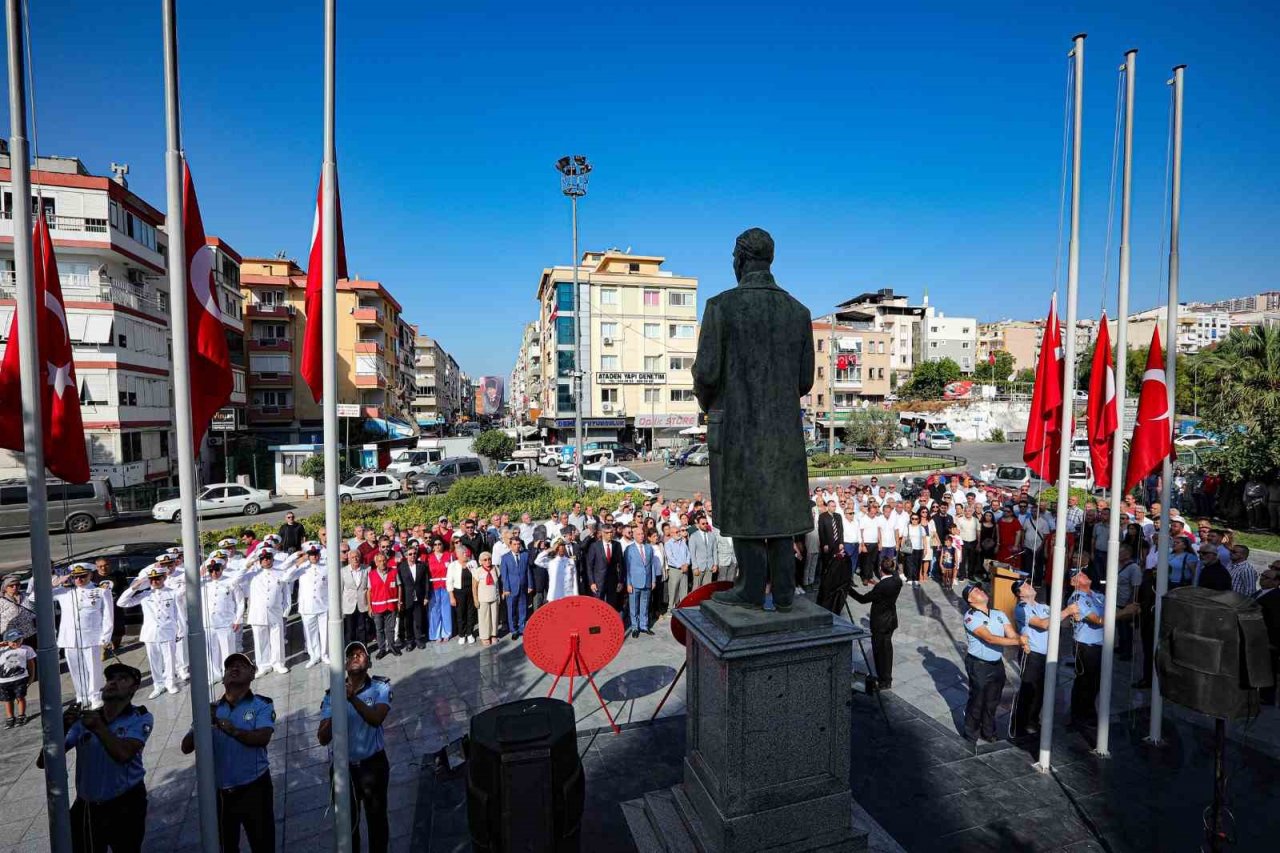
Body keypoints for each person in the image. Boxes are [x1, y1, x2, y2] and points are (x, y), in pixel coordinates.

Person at [694, 228, 815, 612]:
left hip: (737, 426)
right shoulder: (798, 312)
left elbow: (706, 373)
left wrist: (710, 403)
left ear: (741, 259)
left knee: (743, 502)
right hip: (783, 429)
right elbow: (805, 380)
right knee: (780, 505)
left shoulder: (720, 307)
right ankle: (784, 589)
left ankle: (749, 587)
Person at [44, 662, 151, 853]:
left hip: (125, 804)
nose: (113, 683)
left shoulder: (140, 717)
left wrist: (99, 728)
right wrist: (62, 727)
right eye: (110, 679)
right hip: (87, 807)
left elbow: (123, 754)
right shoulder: (83, 721)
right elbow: (44, 761)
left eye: (122, 679)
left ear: (134, 688)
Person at [184, 653, 276, 853]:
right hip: (222, 793)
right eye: (230, 667)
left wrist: (233, 731)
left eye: (241, 665)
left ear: (252, 674)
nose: (234, 668)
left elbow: (262, 738)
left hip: (254, 788)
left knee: (262, 843)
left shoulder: (261, 704)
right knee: (225, 846)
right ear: (223, 679)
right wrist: (201, 724)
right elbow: (186, 747)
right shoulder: (210, 709)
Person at [318, 642, 392, 853]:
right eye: (351, 655)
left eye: (361, 654)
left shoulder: (380, 687)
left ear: (369, 663)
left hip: (372, 765)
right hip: (344, 770)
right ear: (345, 665)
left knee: (377, 820)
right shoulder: (332, 694)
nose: (355, 657)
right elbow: (322, 737)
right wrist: (338, 704)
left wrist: (352, 699)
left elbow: (376, 718)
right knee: (347, 825)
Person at [961, 583, 1027, 742]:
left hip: (996, 663)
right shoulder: (970, 617)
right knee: (977, 700)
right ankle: (971, 734)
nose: (981, 591)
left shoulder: (999, 613)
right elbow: (989, 638)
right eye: (975, 591)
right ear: (970, 600)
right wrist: (1018, 642)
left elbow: (1011, 634)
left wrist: (1021, 640)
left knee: (992, 701)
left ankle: (988, 732)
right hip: (979, 665)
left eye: (980, 589)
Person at [42, 563, 114, 709]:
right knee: (75, 670)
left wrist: (105, 637)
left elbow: (108, 616)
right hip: (69, 638)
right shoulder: (64, 592)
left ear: (91, 574)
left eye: (83, 576)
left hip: (92, 637)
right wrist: (55, 583)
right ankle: (82, 696)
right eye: (75, 577)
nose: (79, 580)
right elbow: (35, 597)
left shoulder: (101, 592)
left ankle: (95, 696)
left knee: (94, 669)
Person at [117, 567, 184, 699]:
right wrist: (134, 588)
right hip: (150, 633)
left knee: (170, 660)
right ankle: (158, 685)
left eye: (158, 578)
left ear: (164, 578)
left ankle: (170, 683)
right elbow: (121, 603)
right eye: (152, 579)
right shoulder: (145, 595)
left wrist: (180, 630)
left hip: (167, 631)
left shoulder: (173, 593)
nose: (155, 581)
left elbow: (179, 614)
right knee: (154, 661)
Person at [848, 557, 903, 689]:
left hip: (880, 623)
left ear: (880, 569)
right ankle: (887, 678)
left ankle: (883, 681)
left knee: (879, 652)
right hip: (890, 620)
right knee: (887, 650)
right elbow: (894, 572)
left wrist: (848, 589)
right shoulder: (897, 581)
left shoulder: (881, 587)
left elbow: (862, 599)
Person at [1062, 569, 1105, 729]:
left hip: (1098, 644)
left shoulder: (1097, 595)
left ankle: (1087, 712)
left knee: (1094, 683)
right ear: (1073, 582)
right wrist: (1124, 613)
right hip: (1086, 646)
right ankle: (1079, 717)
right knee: (1085, 683)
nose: (1084, 574)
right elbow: (1097, 620)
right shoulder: (1077, 598)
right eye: (1078, 574)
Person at [1010, 579, 1049, 737]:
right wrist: (1066, 611)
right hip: (1032, 654)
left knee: (1039, 691)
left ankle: (1032, 722)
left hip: (1045, 655)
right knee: (1028, 690)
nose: (1029, 585)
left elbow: (1057, 621)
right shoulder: (1021, 608)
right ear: (1020, 594)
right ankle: (1019, 727)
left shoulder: (1043, 607)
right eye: (1024, 586)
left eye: (1028, 583)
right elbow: (1043, 624)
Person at [243, 549, 290, 676]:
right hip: (258, 614)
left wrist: (285, 612)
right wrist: (248, 564)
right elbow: (237, 579)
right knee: (260, 641)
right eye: (263, 558)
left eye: (268, 558)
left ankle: (278, 663)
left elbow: (286, 594)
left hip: (275, 612)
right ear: (259, 561)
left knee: (277, 639)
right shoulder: (252, 574)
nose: (266, 560)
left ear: (273, 559)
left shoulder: (281, 573)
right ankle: (263, 665)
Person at [284, 545, 330, 668]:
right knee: (310, 633)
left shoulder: (326, 567)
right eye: (311, 554)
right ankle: (314, 656)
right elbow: (286, 578)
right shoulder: (302, 568)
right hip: (307, 606)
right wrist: (298, 564)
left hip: (323, 605)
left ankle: (324, 654)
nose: (314, 557)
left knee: (325, 632)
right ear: (307, 556)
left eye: (316, 554)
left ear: (319, 555)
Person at [201, 556, 245, 683]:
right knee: (212, 652)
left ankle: (230, 674)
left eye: (217, 569)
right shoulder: (203, 584)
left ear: (222, 568)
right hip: (209, 623)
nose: (214, 573)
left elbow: (240, 602)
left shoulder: (231, 582)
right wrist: (201, 572)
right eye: (211, 570)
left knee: (228, 651)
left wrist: (238, 620)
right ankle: (215, 674)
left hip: (226, 622)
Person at [625, 523, 663, 638]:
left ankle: (644, 626)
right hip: (634, 582)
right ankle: (635, 627)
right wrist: (628, 583)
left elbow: (651, 565)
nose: (641, 536)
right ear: (634, 536)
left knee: (645, 605)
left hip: (647, 581)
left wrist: (653, 580)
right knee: (634, 606)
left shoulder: (648, 548)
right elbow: (627, 568)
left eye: (642, 534)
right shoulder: (629, 549)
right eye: (638, 534)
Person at [367, 552, 402, 657]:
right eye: (380, 561)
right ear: (376, 563)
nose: (382, 563)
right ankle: (382, 649)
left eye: (384, 561)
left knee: (391, 628)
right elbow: (369, 591)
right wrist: (369, 607)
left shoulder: (394, 572)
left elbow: (399, 587)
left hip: (391, 605)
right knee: (379, 629)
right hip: (377, 606)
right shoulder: (371, 574)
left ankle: (392, 647)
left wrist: (399, 602)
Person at [396, 542, 429, 651]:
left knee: (418, 620)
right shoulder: (401, 567)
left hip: (419, 597)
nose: (412, 556)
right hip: (406, 598)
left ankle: (419, 640)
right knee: (408, 621)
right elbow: (399, 584)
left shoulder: (422, 565)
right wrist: (400, 600)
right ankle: (410, 641)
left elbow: (426, 582)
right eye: (410, 554)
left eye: (414, 553)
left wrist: (426, 596)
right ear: (406, 555)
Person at [0, 628, 35, 728]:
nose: (16, 643)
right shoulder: (2, 650)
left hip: (20, 679)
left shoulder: (26, 649)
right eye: (13, 641)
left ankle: (21, 715)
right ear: (7, 641)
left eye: (19, 640)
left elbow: (31, 664)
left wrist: (32, 676)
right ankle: (10, 717)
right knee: (7, 700)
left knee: (20, 697)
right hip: (4, 681)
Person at [499, 536, 531, 640]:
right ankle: (513, 630)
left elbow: (528, 571)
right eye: (514, 544)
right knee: (511, 609)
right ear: (510, 545)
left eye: (518, 544)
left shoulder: (525, 555)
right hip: (511, 588)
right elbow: (504, 575)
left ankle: (522, 628)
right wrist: (506, 588)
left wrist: (530, 585)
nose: (517, 546)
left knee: (523, 608)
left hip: (523, 586)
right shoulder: (505, 557)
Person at [447, 543, 478, 644]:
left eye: (466, 552)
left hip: (471, 592)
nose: (465, 554)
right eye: (463, 553)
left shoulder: (473, 563)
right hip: (459, 592)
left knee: (471, 613)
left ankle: (469, 633)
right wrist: (451, 597)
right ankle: (461, 634)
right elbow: (449, 582)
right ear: (458, 555)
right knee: (460, 614)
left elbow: (477, 577)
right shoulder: (453, 565)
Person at [586, 523, 623, 607]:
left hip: (612, 581)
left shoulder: (617, 545)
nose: (609, 534)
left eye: (611, 532)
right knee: (598, 606)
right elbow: (589, 566)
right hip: (598, 582)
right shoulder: (595, 546)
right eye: (607, 533)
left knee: (612, 605)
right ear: (602, 533)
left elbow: (621, 564)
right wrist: (592, 582)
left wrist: (620, 581)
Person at [425, 539, 453, 642]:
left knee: (446, 609)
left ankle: (447, 632)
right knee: (434, 611)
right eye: (435, 544)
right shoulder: (429, 557)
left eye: (439, 544)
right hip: (434, 586)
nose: (437, 546)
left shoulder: (448, 555)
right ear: (433, 546)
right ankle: (436, 634)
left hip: (446, 585)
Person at [534, 538, 578, 603]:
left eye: (563, 546)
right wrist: (550, 549)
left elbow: (574, 580)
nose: (562, 548)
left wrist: (576, 596)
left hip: (568, 596)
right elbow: (537, 561)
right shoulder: (551, 562)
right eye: (559, 546)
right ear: (555, 548)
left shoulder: (570, 561)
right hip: (554, 597)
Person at [342, 549, 370, 645]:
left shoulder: (367, 569)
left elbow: (369, 588)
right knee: (350, 629)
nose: (355, 559)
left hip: (362, 603)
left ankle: (363, 648)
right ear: (349, 559)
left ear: (360, 557)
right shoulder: (343, 571)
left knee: (362, 628)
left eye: (357, 557)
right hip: (349, 605)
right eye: (352, 557)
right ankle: (350, 649)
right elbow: (340, 590)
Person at [473, 553, 501, 646]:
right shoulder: (478, 571)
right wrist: (475, 599)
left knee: (494, 617)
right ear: (480, 561)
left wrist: (499, 596)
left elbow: (498, 584)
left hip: (494, 597)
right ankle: (485, 636)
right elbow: (474, 587)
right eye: (485, 560)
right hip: (483, 599)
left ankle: (493, 635)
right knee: (484, 619)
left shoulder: (495, 568)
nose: (488, 561)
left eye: (489, 559)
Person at [0, 574, 35, 647]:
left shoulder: (25, 596)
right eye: (11, 585)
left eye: (17, 585)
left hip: (29, 634)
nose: (15, 587)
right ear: (5, 587)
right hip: (12, 639)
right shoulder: (1, 601)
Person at [688, 515, 719, 589]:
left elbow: (714, 550)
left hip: (709, 566)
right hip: (699, 567)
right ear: (698, 524)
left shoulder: (712, 535)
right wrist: (695, 567)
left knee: (707, 588)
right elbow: (692, 553)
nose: (705, 525)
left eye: (706, 523)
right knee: (696, 588)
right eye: (703, 523)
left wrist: (715, 564)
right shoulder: (693, 536)